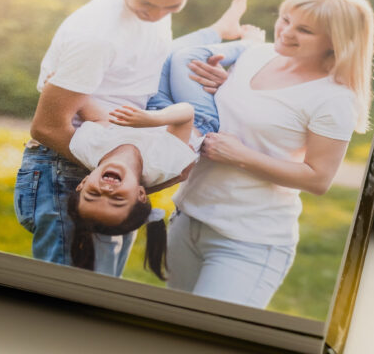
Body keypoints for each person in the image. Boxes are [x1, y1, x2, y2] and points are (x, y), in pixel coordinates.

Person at [15, 0, 241, 277]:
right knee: (74, 284)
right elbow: (47, 127)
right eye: (148, 4)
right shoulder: (97, 37)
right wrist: (131, 175)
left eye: (173, 6)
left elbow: (150, 60)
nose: (159, 14)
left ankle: (220, 31)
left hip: (120, 147)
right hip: (71, 162)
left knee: (106, 281)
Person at [166, 0, 374, 309]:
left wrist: (239, 156)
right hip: (187, 219)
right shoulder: (257, 54)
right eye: (285, 19)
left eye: (304, 29)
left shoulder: (334, 98)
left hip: (248, 241)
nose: (287, 31)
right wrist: (223, 87)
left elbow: (318, 178)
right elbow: (249, 112)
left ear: (335, 42)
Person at [65, 21, 266, 277]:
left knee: (160, 55)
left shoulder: (87, 148)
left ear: (82, 183)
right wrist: (151, 120)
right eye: (117, 199)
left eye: (93, 195)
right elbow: (186, 114)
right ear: (140, 193)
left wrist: (67, 85)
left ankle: (219, 29)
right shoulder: (162, 164)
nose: (106, 190)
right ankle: (252, 47)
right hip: (195, 119)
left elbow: (91, 111)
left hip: (155, 109)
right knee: (185, 58)